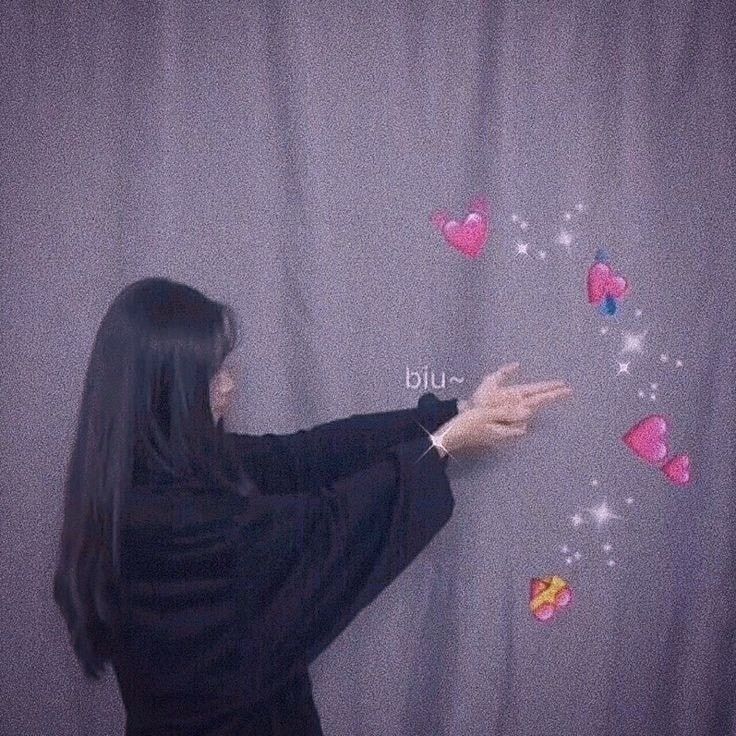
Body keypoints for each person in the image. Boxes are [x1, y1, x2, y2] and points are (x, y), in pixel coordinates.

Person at [52, 277, 573, 735]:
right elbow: (328, 527)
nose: (231, 384)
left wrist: (453, 413)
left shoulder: (146, 475)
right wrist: (442, 446)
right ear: (169, 391)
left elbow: (308, 456)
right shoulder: (172, 521)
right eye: (214, 375)